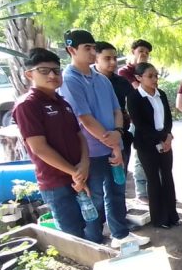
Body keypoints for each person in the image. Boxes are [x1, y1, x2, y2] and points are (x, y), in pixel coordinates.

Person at [59, 29, 148, 248]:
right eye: (86, 48)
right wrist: (113, 143)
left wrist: (117, 137)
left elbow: (117, 110)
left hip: (114, 146)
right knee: (95, 197)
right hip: (90, 151)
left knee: (117, 191)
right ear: (71, 50)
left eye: (92, 48)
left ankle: (120, 234)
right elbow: (85, 118)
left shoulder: (102, 79)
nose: (91, 52)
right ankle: (94, 240)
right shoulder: (69, 80)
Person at [12, 48, 88, 239]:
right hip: (56, 182)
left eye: (56, 70)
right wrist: (74, 172)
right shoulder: (27, 105)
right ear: (29, 74)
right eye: (44, 71)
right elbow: (39, 148)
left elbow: (80, 136)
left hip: (80, 175)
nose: (53, 75)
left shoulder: (62, 103)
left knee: (90, 225)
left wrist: (84, 165)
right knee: (73, 236)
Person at [127, 62, 180, 228]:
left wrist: (168, 137)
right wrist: (160, 139)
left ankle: (172, 215)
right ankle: (159, 218)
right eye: (150, 76)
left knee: (167, 177)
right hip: (146, 144)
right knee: (153, 180)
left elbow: (168, 119)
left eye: (156, 75)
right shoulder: (134, 97)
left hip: (165, 141)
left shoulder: (161, 94)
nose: (155, 79)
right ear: (138, 77)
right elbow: (140, 125)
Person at [117, 39, 152, 201]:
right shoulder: (125, 72)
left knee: (145, 155)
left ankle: (149, 190)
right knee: (134, 157)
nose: (144, 55)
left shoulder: (147, 71)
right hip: (131, 121)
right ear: (133, 51)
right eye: (141, 51)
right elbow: (140, 91)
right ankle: (141, 192)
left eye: (146, 52)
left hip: (148, 120)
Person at [93, 42, 133, 169]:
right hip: (96, 137)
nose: (113, 62)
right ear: (96, 58)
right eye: (107, 58)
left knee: (120, 178)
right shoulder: (87, 81)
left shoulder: (122, 82)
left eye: (115, 58)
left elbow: (132, 104)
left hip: (120, 133)